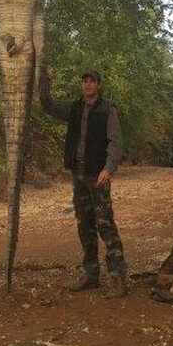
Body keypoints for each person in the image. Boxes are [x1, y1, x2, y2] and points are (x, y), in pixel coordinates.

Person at [39, 68, 127, 298]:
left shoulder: (108, 109)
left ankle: (118, 278)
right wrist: (42, 79)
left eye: (92, 81)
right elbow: (47, 105)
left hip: (97, 177)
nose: (87, 85)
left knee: (105, 226)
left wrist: (109, 168)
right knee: (85, 226)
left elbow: (116, 142)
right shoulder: (75, 108)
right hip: (78, 176)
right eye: (85, 81)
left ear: (99, 85)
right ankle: (91, 276)